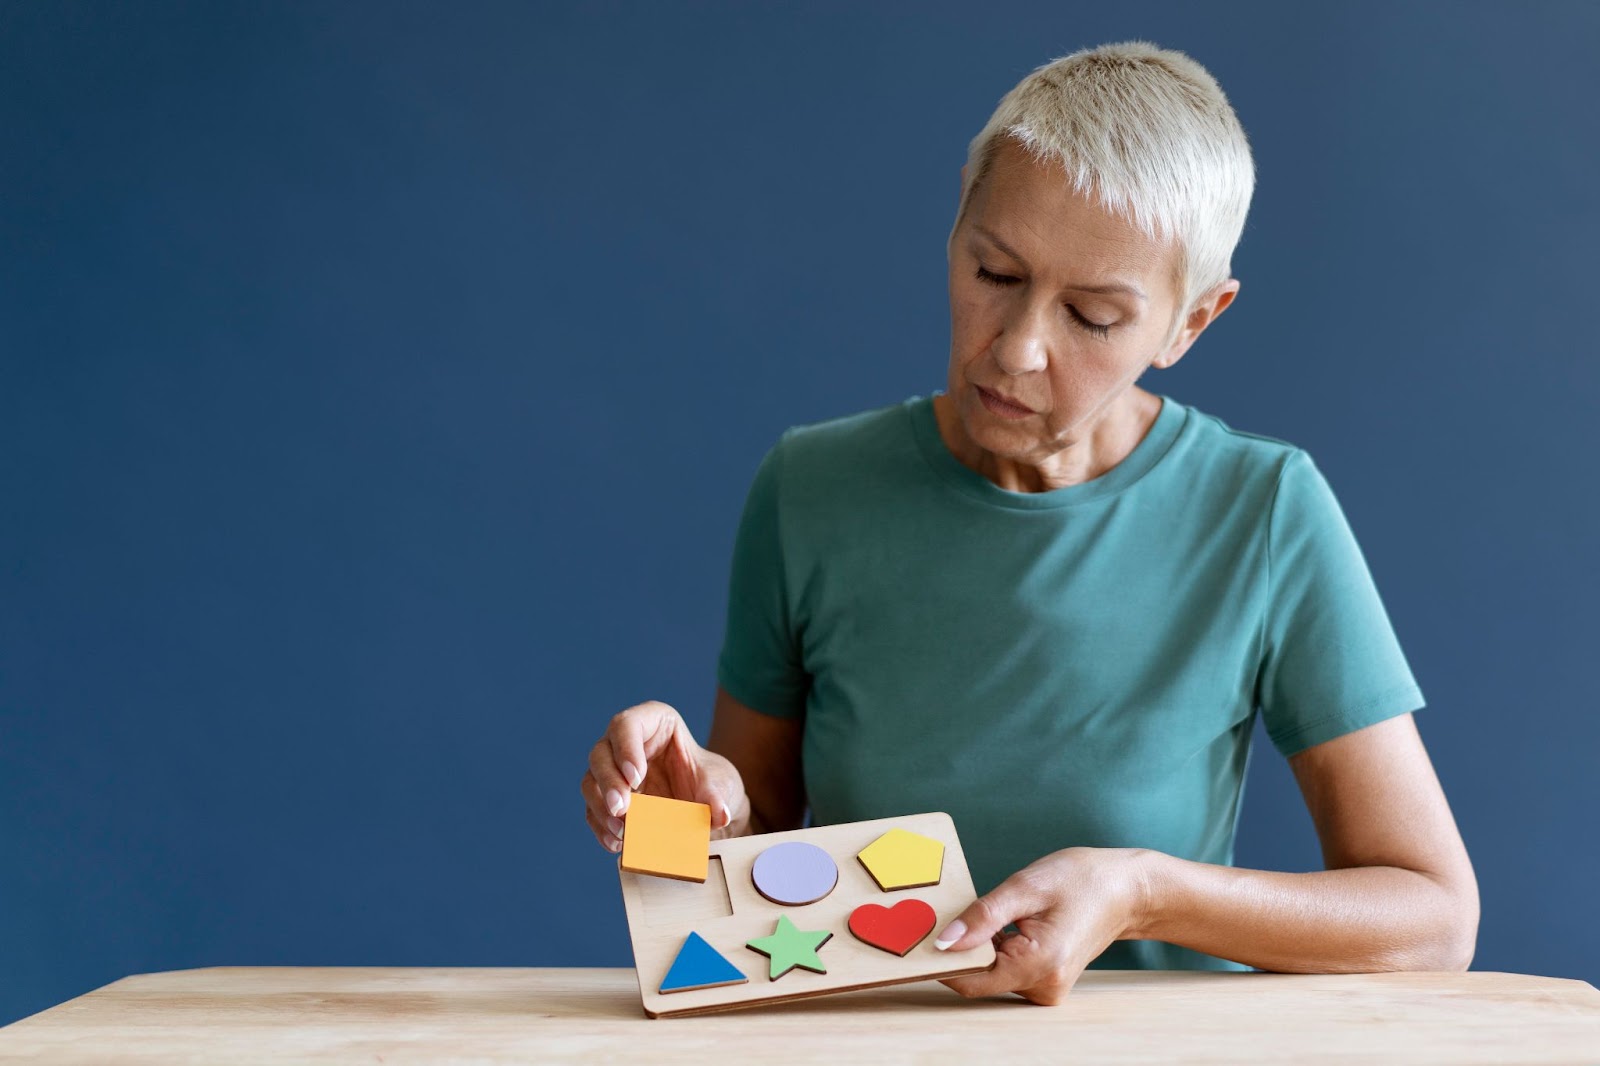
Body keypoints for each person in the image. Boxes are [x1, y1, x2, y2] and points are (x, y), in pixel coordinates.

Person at [579, 40, 1478, 1005]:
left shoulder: (1262, 510)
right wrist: (676, 822)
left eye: (1091, 316)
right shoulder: (808, 489)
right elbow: (736, 884)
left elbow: (1432, 918)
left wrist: (1142, 894)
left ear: (1192, 323)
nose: (1016, 351)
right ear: (959, 213)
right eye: (995, 273)